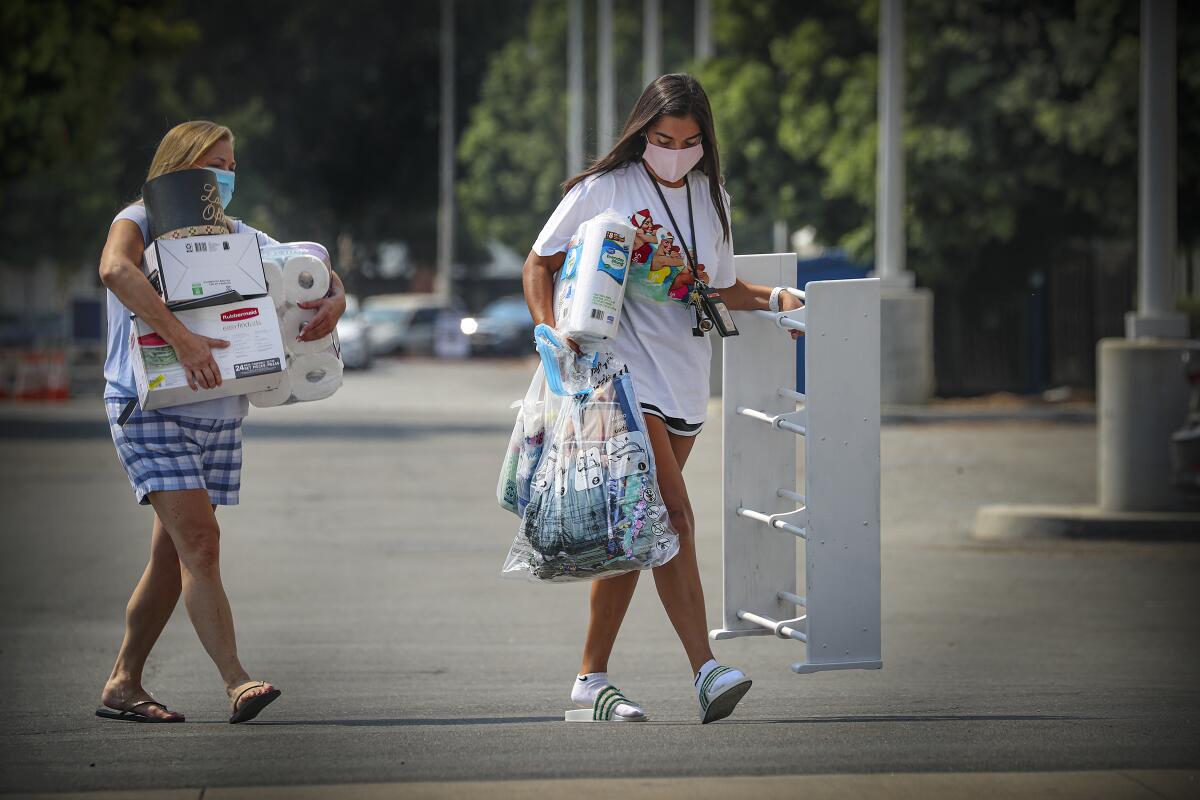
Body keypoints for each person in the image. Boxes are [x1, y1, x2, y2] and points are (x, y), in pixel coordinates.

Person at [523, 74, 804, 724]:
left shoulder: (712, 198)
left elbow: (720, 290)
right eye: (661, 139)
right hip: (619, 379)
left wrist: (775, 300)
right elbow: (539, 262)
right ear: (640, 132)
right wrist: (550, 332)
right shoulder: (604, 189)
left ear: (705, 140)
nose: (674, 151)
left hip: (684, 383)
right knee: (673, 515)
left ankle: (589, 683)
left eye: (688, 141)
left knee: (636, 533)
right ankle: (706, 670)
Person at [95, 120, 347, 723]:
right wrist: (184, 340)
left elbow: (306, 264)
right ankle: (237, 680)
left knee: (174, 556)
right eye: (213, 164)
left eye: (231, 165)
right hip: (149, 407)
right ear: (177, 167)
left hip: (218, 412)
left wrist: (335, 296)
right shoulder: (139, 219)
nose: (225, 177)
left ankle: (123, 683)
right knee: (202, 545)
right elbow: (114, 270)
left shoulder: (238, 235)